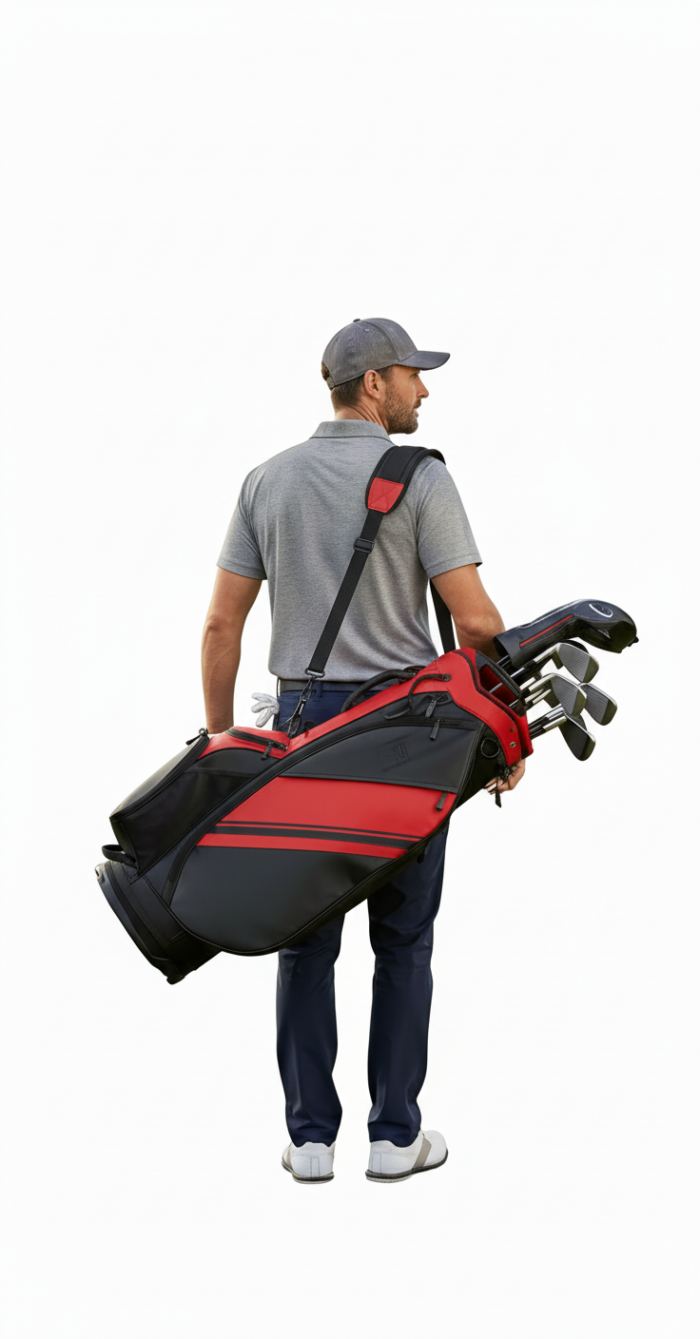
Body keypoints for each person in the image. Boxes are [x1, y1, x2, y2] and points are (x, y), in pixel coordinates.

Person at [201, 317, 525, 1185]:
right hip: (409, 734)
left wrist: (225, 735)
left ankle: (309, 1140)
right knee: (405, 939)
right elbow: (481, 620)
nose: (426, 389)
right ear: (374, 384)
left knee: (304, 936)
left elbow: (222, 623)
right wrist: (499, 730)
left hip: (300, 726)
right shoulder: (420, 477)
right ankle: (394, 1136)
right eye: (415, 374)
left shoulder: (264, 481)